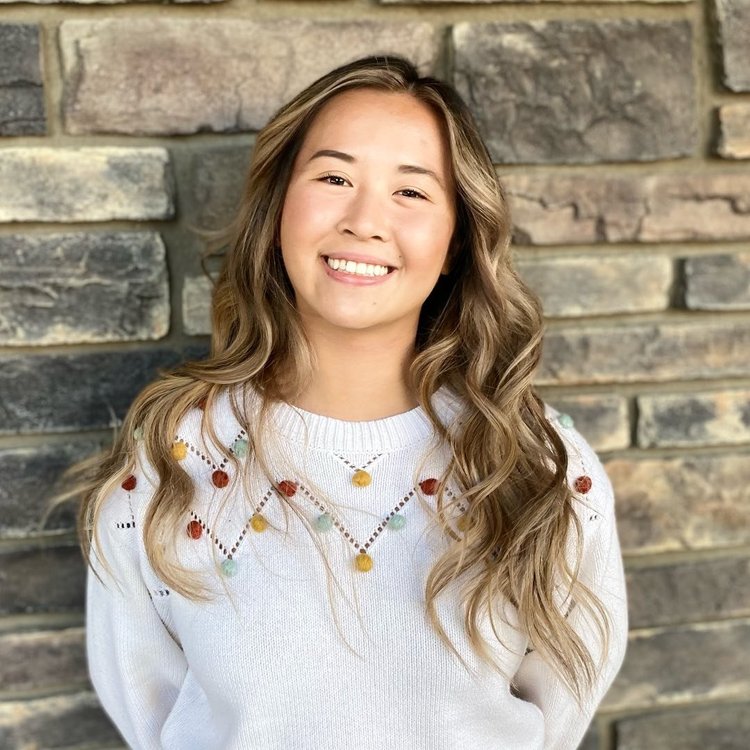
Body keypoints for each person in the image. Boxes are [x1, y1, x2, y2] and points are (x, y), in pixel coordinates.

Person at [57, 55, 628, 749]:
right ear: (276, 213)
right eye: (333, 178)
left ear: (454, 243)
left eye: (411, 193)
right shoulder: (166, 464)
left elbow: (560, 708)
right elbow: (152, 712)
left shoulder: (541, 469)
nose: (364, 221)